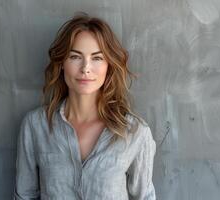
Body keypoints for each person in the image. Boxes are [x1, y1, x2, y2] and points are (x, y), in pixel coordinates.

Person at [14, 12, 156, 200]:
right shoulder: (35, 126)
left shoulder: (135, 132)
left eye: (97, 58)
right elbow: (24, 196)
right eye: (75, 56)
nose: (86, 68)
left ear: (109, 65)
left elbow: (145, 197)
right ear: (62, 62)